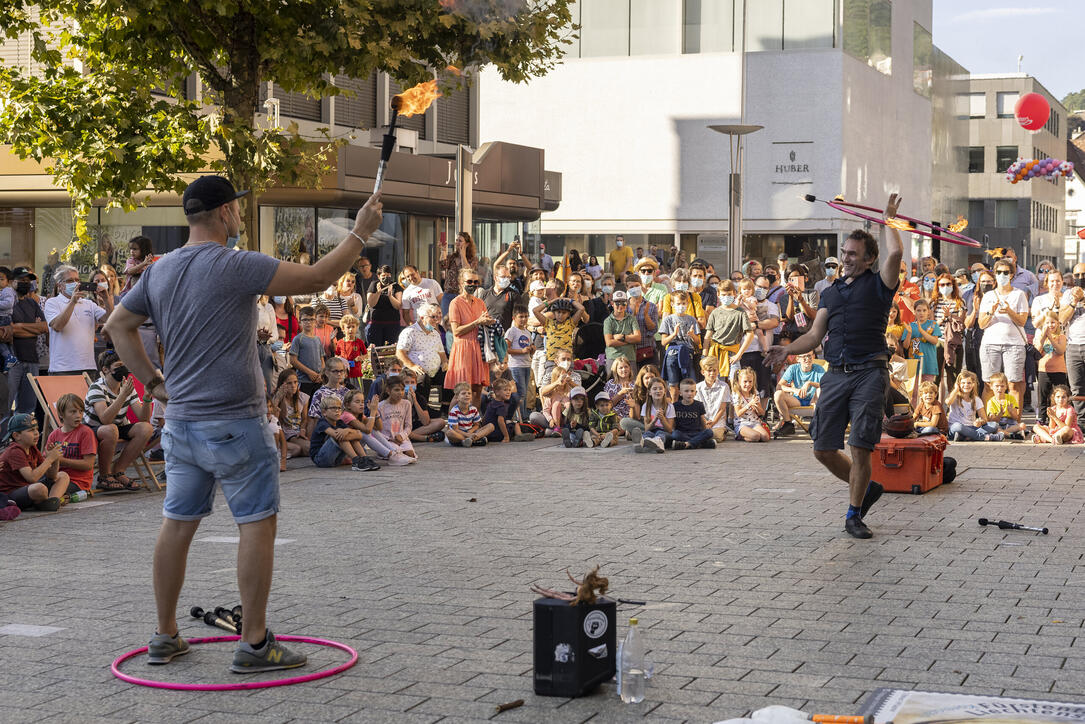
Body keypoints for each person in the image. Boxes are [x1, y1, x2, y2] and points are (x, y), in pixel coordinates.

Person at [104, 174, 383, 672]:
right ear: (225, 212)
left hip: (183, 423)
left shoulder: (159, 270)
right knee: (256, 524)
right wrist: (360, 233)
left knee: (177, 524)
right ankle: (254, 643)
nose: (239, 215)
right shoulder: (234, 264)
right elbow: (319, 278)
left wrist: (154, 382)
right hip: (235, 422)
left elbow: (117, 325)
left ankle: (164, 634)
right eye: (237, 208)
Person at [764, 193, 904, 540]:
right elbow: (814, 335)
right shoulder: (830, 292)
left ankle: (854, 514)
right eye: (844, 253)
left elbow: (897, 253)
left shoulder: (880, 284)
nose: (845, 259)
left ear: (870, 258)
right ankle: (867, 488)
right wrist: (786, 351)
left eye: (853, 254)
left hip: (870, 372)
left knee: (860, 445)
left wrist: (889, 221)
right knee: (823, 448)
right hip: (837, 374)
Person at [84, 350, 154, 491]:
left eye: (125, 364)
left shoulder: (126, 386)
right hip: (94, 430)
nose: (124, 368)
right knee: (111, 429)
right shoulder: (97, 388)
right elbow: (105, 419)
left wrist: (147, 398)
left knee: (146, 428)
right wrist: (122, 396)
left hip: (115, 428)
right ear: (105, 369)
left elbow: (143, 419)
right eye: (119, 365)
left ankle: (118, 470)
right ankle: (104, 476)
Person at [44, 265, 112, 376]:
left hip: (88, 367)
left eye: (77, 280)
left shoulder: (89, 303)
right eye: (70, 280)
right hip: (62, 369)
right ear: (60, 286)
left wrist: (106, 298)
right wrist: (72, 302)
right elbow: (57, 326)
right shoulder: (52, 303)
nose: (75, 283)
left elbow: (109, 319)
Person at [978, 258, 1029, 405]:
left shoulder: (1019, 294)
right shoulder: (988, 296)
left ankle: (1014, 422)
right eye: (999, 272)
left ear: (1012, 275)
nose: (1002, 275)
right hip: (990, 344)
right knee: (989, 385)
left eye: (1005, 272)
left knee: (1013, 384)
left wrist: (1009, 311)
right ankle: (988, 421)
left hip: (1014, 345)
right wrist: (991, 312)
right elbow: (981, 324)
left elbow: (1022, 321)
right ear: (994, 274)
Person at [0, 413, 67, 512]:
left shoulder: (32, 447)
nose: (36, 433)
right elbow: (32, 478)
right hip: (10, 494)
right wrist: (49, 459)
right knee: (39, 489)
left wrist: (55, 459)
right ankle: (42, 502)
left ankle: (51, 501)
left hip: (27, 488)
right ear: (16, 435)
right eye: (31, 430)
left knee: (63, 475)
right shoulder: (15, 451)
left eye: (36, 429)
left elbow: (51, 476)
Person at [446, 268, 492, 408]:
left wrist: (489, 323)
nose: (473, 284)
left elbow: (484, 322)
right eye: (469, 281)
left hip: (478, 347)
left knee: (477, 389)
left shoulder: (480, 302)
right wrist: (477, 322)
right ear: (461, 283)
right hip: (463, 349)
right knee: (462, 390)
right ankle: (453, 422)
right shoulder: (455, 303)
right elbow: (456, 331)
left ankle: (474, 421)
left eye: (476, 282)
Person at [6, 269, 46, 424]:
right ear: (11, 282)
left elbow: (43, 328)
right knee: (5, 407)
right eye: (21, 280)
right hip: (11, 362)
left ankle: (21, 444)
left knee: (28, 409)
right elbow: (8, 331)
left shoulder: (32, 303)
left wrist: (19, 326)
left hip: (32, 360)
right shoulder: (6, 303)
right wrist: (32, 329)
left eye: (27, 280)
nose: (25, 283)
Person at [396, 303, 448, 409]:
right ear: (422, 317)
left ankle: (446, 409)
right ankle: (423, 409)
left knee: (449, 376)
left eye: (438, 317)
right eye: (433, 317)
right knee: (423, 378)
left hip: (435, 371)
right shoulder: (410, 332)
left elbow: (441, 353)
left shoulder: (435, 334)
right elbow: (400, 353)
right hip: (415, 370)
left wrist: (444, 362)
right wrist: (412, 366)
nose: (437, 320)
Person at [309, 394, 378, 470]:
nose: (337, 411)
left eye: (339, 408)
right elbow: (336, 435)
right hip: (321, 459)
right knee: (341, 436)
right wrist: (349, 432)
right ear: (324, 412)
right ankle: (356, 461)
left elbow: (359, 435)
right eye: (333, 408)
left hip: (336, 458)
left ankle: (365, 459)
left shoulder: (339, 422)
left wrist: (347, 430)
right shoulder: (322, 423)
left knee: (350, 435)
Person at [46, 393, 98, 493]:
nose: (78, 415)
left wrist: (60, 460)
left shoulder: (86, 432)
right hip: (55, 477)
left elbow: (88, 464)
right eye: (73, 412)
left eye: (81, 411)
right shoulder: (54, 435)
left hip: (78, 481)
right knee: (35, 488)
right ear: (61, 414)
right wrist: (50, 460)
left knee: (48, 490)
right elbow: (46, 462)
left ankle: (52, 501)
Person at [658, 290, 700, 401]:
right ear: (672, 304)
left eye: (683, 303)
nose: (681, 306)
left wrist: (691, 335)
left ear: (687, 303)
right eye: (678, 303)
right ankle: (673, 410)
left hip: (687, 353)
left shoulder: (691, 320)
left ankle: (689, 408)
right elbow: (663, 342)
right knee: (673, 386)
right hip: (672, 354)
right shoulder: (668, 320)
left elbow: (698, 341)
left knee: (690, 385)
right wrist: (673, 334)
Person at [772, 351, 823, 436]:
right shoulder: (793, 368)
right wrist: (794, 390)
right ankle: (788, 424)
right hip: (797, 400)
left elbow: (826, 385)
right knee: (778, 394)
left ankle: (818, 424)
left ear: (814, 357)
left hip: (813, 401)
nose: (807, 359)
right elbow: (779, 386)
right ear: (798, 359)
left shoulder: (819, 369)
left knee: (820, 389)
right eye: (804, 357)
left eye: (809, 356)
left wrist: (809, 383)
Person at [1060, 263, 1085, 431]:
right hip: (1073, 346)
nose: (1081, 278)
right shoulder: (1068, 294)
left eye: (1084, 274)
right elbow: (1062, 318)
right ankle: (1082, 425)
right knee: (1077, 389)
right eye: (1077, 275)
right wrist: (1075, 301)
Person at [931, 274, 965, 389]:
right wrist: (943, 318)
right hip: (938, 342)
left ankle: (954, 405)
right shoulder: (934, 303)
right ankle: (933, 405)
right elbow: (931, 325)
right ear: (938, 286)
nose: (945, 287)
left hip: (954, 342)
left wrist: (950, 316)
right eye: (942, 284)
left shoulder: (959, 302)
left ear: (953, 285)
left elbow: (962, 323)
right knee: (935, 377)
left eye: (948, 284)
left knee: (954, 376)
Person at [1033, 310, 1067, 427]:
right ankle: (1041, 420)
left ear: (1057, 323)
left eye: (1053, 322)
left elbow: (1060, 350)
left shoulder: (1061, 337)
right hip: (1044, 371)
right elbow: (1037, 352)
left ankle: (1058, 420)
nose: (1050, 325)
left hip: (1058, 371)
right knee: (1042, 398)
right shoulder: (1040, 337)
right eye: (1047, 323)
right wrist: (1043, 337)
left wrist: (1051, 338)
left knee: (1058, 396)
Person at [271, 369, 310, 465]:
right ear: (282, 384)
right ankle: (280, 448)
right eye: (289, 383)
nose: (293, 386)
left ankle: (290, 448)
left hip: (298, 432)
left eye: (295, 382)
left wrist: (302, 429)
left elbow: (305, 418)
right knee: (306, 449)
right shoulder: (277, 397)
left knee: (305, 449)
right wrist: (280, 397)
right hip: (286, 433)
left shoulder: (303, 397)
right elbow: (277, 419)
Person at [377, 377, 419, 461]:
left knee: (410, 455)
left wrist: (402, 436)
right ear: (388, 390)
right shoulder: (380, 406)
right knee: (398, 456)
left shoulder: (406, 404)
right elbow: (377, 430)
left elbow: (408, 426)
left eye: (402, 390)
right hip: (387, 440)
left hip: (401, 439)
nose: (400, 393)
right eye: (396, 390)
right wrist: (390, 439)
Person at [504, 306, 534, 421]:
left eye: (526, 316)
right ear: (514, 318)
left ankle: (523, 415)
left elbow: (529, 346)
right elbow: (506, 348)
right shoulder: (511, 331)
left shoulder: (527, 332)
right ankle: (520, 417)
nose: (523, 319)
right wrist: (521, 351)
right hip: (516, 365)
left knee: (525, 392)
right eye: (520, 317)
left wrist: (532, 348)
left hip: (526, 364)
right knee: (519, 392)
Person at [440, 232, 479, 316]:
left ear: (467, 244)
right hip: (448, 294)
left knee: (461, 319)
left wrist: (463, 255)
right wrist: (443, 250)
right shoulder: (452, 257)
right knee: (446, 320)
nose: (457, 243)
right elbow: (442, 265)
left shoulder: (473, 259)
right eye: (456, 240)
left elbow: (468, 271)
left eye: (460, 241)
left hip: (462, 294)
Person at [669, 378, 715, 450]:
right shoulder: (675, 406)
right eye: (686, 391)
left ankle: (686, 444)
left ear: (695, 392)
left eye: (692, 391)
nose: (689, 393)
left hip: (696, 433)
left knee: (709, 432)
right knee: (675, 434)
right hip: (682, 433)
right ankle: (701, 444)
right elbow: (673, 423)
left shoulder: (699, 405)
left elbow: (703, 422)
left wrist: (706, 429)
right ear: (680, 392)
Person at [289, 306, 324, 398]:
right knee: (304, 408)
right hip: (304, 380)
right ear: (300, 321)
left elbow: (322, 360)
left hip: (318, 380)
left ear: (315, 321)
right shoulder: (298, 339)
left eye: (311, 319)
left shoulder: (318, 339)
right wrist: (309, 372)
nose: (308, 322)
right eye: (305, 320)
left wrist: (321, 374)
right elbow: (293, 360)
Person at [364, 264, 403, 347]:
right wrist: (378, 293)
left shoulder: (395, 286)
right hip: (376, 323)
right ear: (378, 276)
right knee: (375, 349)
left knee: (389, 349)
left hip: (392, 323)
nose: (386, 277)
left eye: (388, 275)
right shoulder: (374, 284)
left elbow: (398, 306)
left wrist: (390, 296)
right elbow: (371, 303)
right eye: (383, 275)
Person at [602, 291, 640, 372]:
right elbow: (609, 342)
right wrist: (629, 339)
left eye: (623, 303)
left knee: (631, 384)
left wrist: (622, 337)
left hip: (629, 357)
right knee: (612, 383)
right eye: (617, 303)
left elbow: (638, 338)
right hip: (613, 358)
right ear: (612, 303)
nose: (620, 305)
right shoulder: (608, 321)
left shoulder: (632, 319)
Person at [445, 381, 493, 446]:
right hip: (459, 433)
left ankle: (471, 440)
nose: (467, 395)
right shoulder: (454, 411)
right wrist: (467, 435)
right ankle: (471, 440)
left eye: (469, 393)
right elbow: (455, 429)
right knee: (449, 433)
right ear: (457, 397)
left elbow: (477, 425)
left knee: (491, 426)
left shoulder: (473, 409)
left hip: (470, 432)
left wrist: (471, 431)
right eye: (463, 393)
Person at [696, 356, 731, 443]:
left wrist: (713, 422)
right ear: (703, 372)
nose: (712, 373)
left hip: (717, 421)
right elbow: (698, 409)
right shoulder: (698, 387)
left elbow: (722, 408)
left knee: (715, 435)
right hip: (703, 420)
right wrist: (705, 422)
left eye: (715, 370)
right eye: (709, 371)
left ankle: (722, 431)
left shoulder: (724, 386)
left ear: (718, 371)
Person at [907, 299, 942, 385]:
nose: (921, 313)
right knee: (914, 393)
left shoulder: (933, 324)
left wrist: (921, 330)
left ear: (928, 312)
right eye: (918, 310)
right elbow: (905, 346)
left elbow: (934, 341)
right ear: (914, 312)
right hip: (914, 363)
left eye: (924, 310)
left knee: (927, 391)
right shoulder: (910, 326)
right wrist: (909, 333)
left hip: (929, 364)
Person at [635, 377, 672, 453]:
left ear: (664, 391)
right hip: (652, 430)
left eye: (660, 388)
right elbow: (647, 429)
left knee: (660, 434)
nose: (658, 391)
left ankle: (658, 443)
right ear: (649, 392)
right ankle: (641, 443)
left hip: (664, 432)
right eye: (654, 389)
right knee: (647, 434)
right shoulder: (646, 406)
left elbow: (670, 430)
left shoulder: (670, 406)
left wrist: (662, 419)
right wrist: (654, 419)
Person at [480, 262, 522, 330]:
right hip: (487, 334)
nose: (506, 279)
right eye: (503, 277)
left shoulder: (513, 294)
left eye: (508, 277)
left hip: (505, 335)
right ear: (495, 278)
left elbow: (517, 317)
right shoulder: (485, 294)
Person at [985, 372, 1025, 439]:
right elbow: (992, 420)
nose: (1000, 389)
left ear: (1006, 386)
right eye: (997, 386)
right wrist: (1000, 414)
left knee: (1022, 425)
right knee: (994, 427)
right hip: (998, 423)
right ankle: (1010, 435)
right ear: (991, 387)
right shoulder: (990, 402)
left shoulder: (1011, 398)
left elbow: (1016, 417)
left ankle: (1003, 433)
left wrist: (1011, 411)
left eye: (1002, 386)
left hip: (1010, 423)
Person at [334, 314, 367, 388]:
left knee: (358, 392)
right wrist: (340, 360)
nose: (351, 329)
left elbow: (365, 354)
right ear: (343, 329)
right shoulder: (340, 342)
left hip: (356, 373)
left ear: (357, 327)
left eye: (353, 327)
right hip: (343, 374)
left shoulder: (359, 342)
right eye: (348, 327)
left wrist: (361, 358)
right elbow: (336, 355)